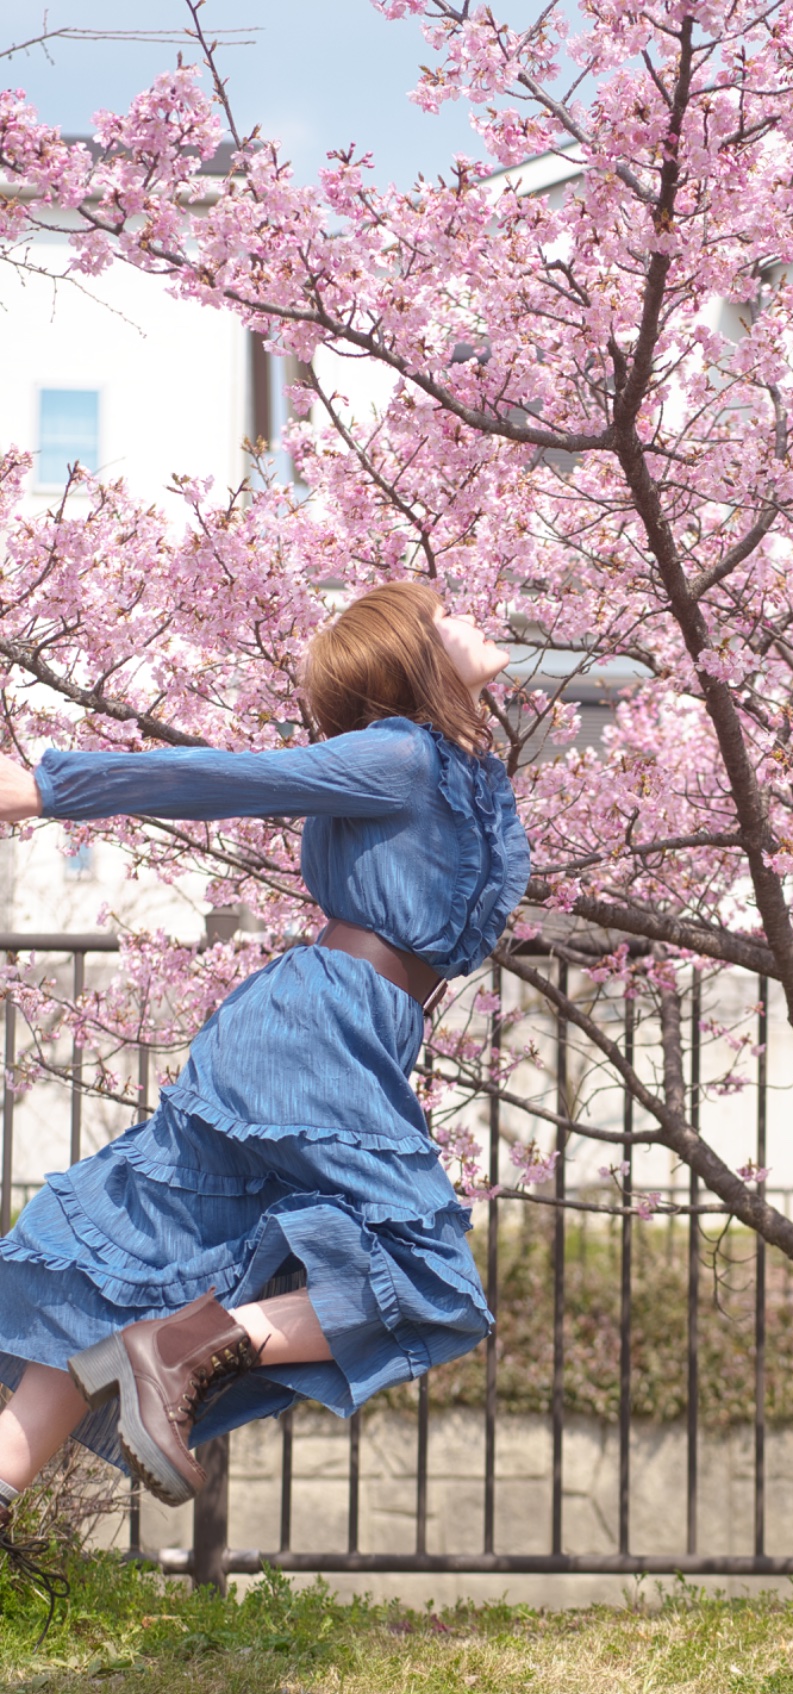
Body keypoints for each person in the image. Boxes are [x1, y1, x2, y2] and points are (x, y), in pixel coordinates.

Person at [0, 581, 529, 1618]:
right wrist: (36, 787)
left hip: (328, 1033)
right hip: (321, 1029)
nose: (471, 616)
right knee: (429, 1286)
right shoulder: (400, 754)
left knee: (119, 1272)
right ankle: (181, 1347)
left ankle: (87, 1403)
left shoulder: (457, 769)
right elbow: (224, 776)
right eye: (445, 613)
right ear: (413, 654)